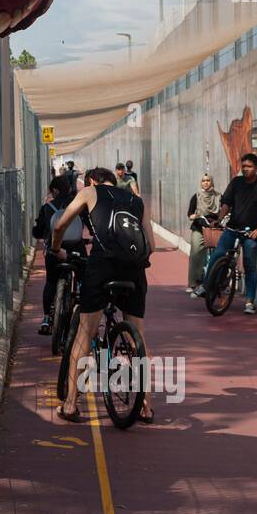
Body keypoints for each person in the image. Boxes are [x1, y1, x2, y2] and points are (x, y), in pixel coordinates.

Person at [50, 167, 157, 424]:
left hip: (102, 264)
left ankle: (70, 405)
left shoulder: (89, 192)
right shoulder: (136, 200)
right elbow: (150, 245)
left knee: (85, 332)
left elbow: (62, 223)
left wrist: (56, 248)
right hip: (134, 268)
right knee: (138, 334)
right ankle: (146, 407)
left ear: (90, 181)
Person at [193, 153, 257, 314]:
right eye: (243, 166)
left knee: (250, 265)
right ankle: (207, 284)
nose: (245, 169)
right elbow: (226, 203)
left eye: (249, 166)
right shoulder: (236, 183)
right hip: (233, 228)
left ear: (256, 168)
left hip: (251, 233)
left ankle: (250, 302)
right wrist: (219, 219)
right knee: (218, 254)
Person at [32, 172, 83, 334]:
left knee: (51, 281)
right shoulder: (79, 205)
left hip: (54, 250)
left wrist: (40, 232)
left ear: (54, 191)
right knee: (84, 275)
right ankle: (84, 309)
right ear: (68, 190)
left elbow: (38, 232)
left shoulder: (47, 208)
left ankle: (47, 317)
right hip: (76, 249)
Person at [186, 174, 221, 292]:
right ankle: (193, 283)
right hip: (199, 227)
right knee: (196, 253)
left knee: (220, 253)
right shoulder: (196, 196)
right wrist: (194, 216)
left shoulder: (219, 196)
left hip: (215, 228)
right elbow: (190, 213)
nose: (206, 183)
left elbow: (225, 209)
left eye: (208, 180)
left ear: (212, 182)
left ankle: (219, 281)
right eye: (203, 181)